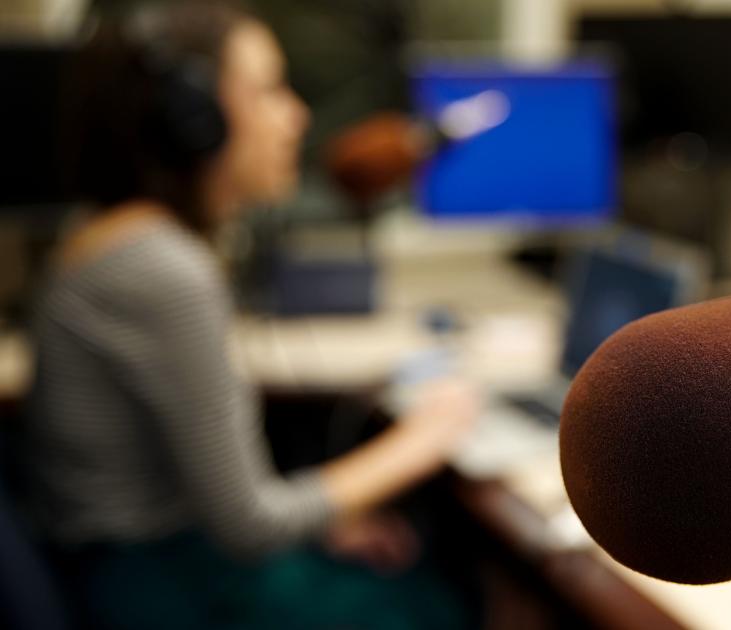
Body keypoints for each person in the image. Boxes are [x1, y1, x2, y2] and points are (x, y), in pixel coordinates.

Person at [16, 2, 478, 627]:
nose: (297, 115)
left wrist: (324, 523)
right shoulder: (162, 267)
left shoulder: (106, 234)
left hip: (131, 556)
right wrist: (425, 439)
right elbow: (251, 526)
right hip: (156, 585)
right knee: (437, 607)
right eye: (269, 90)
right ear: (193, 120)